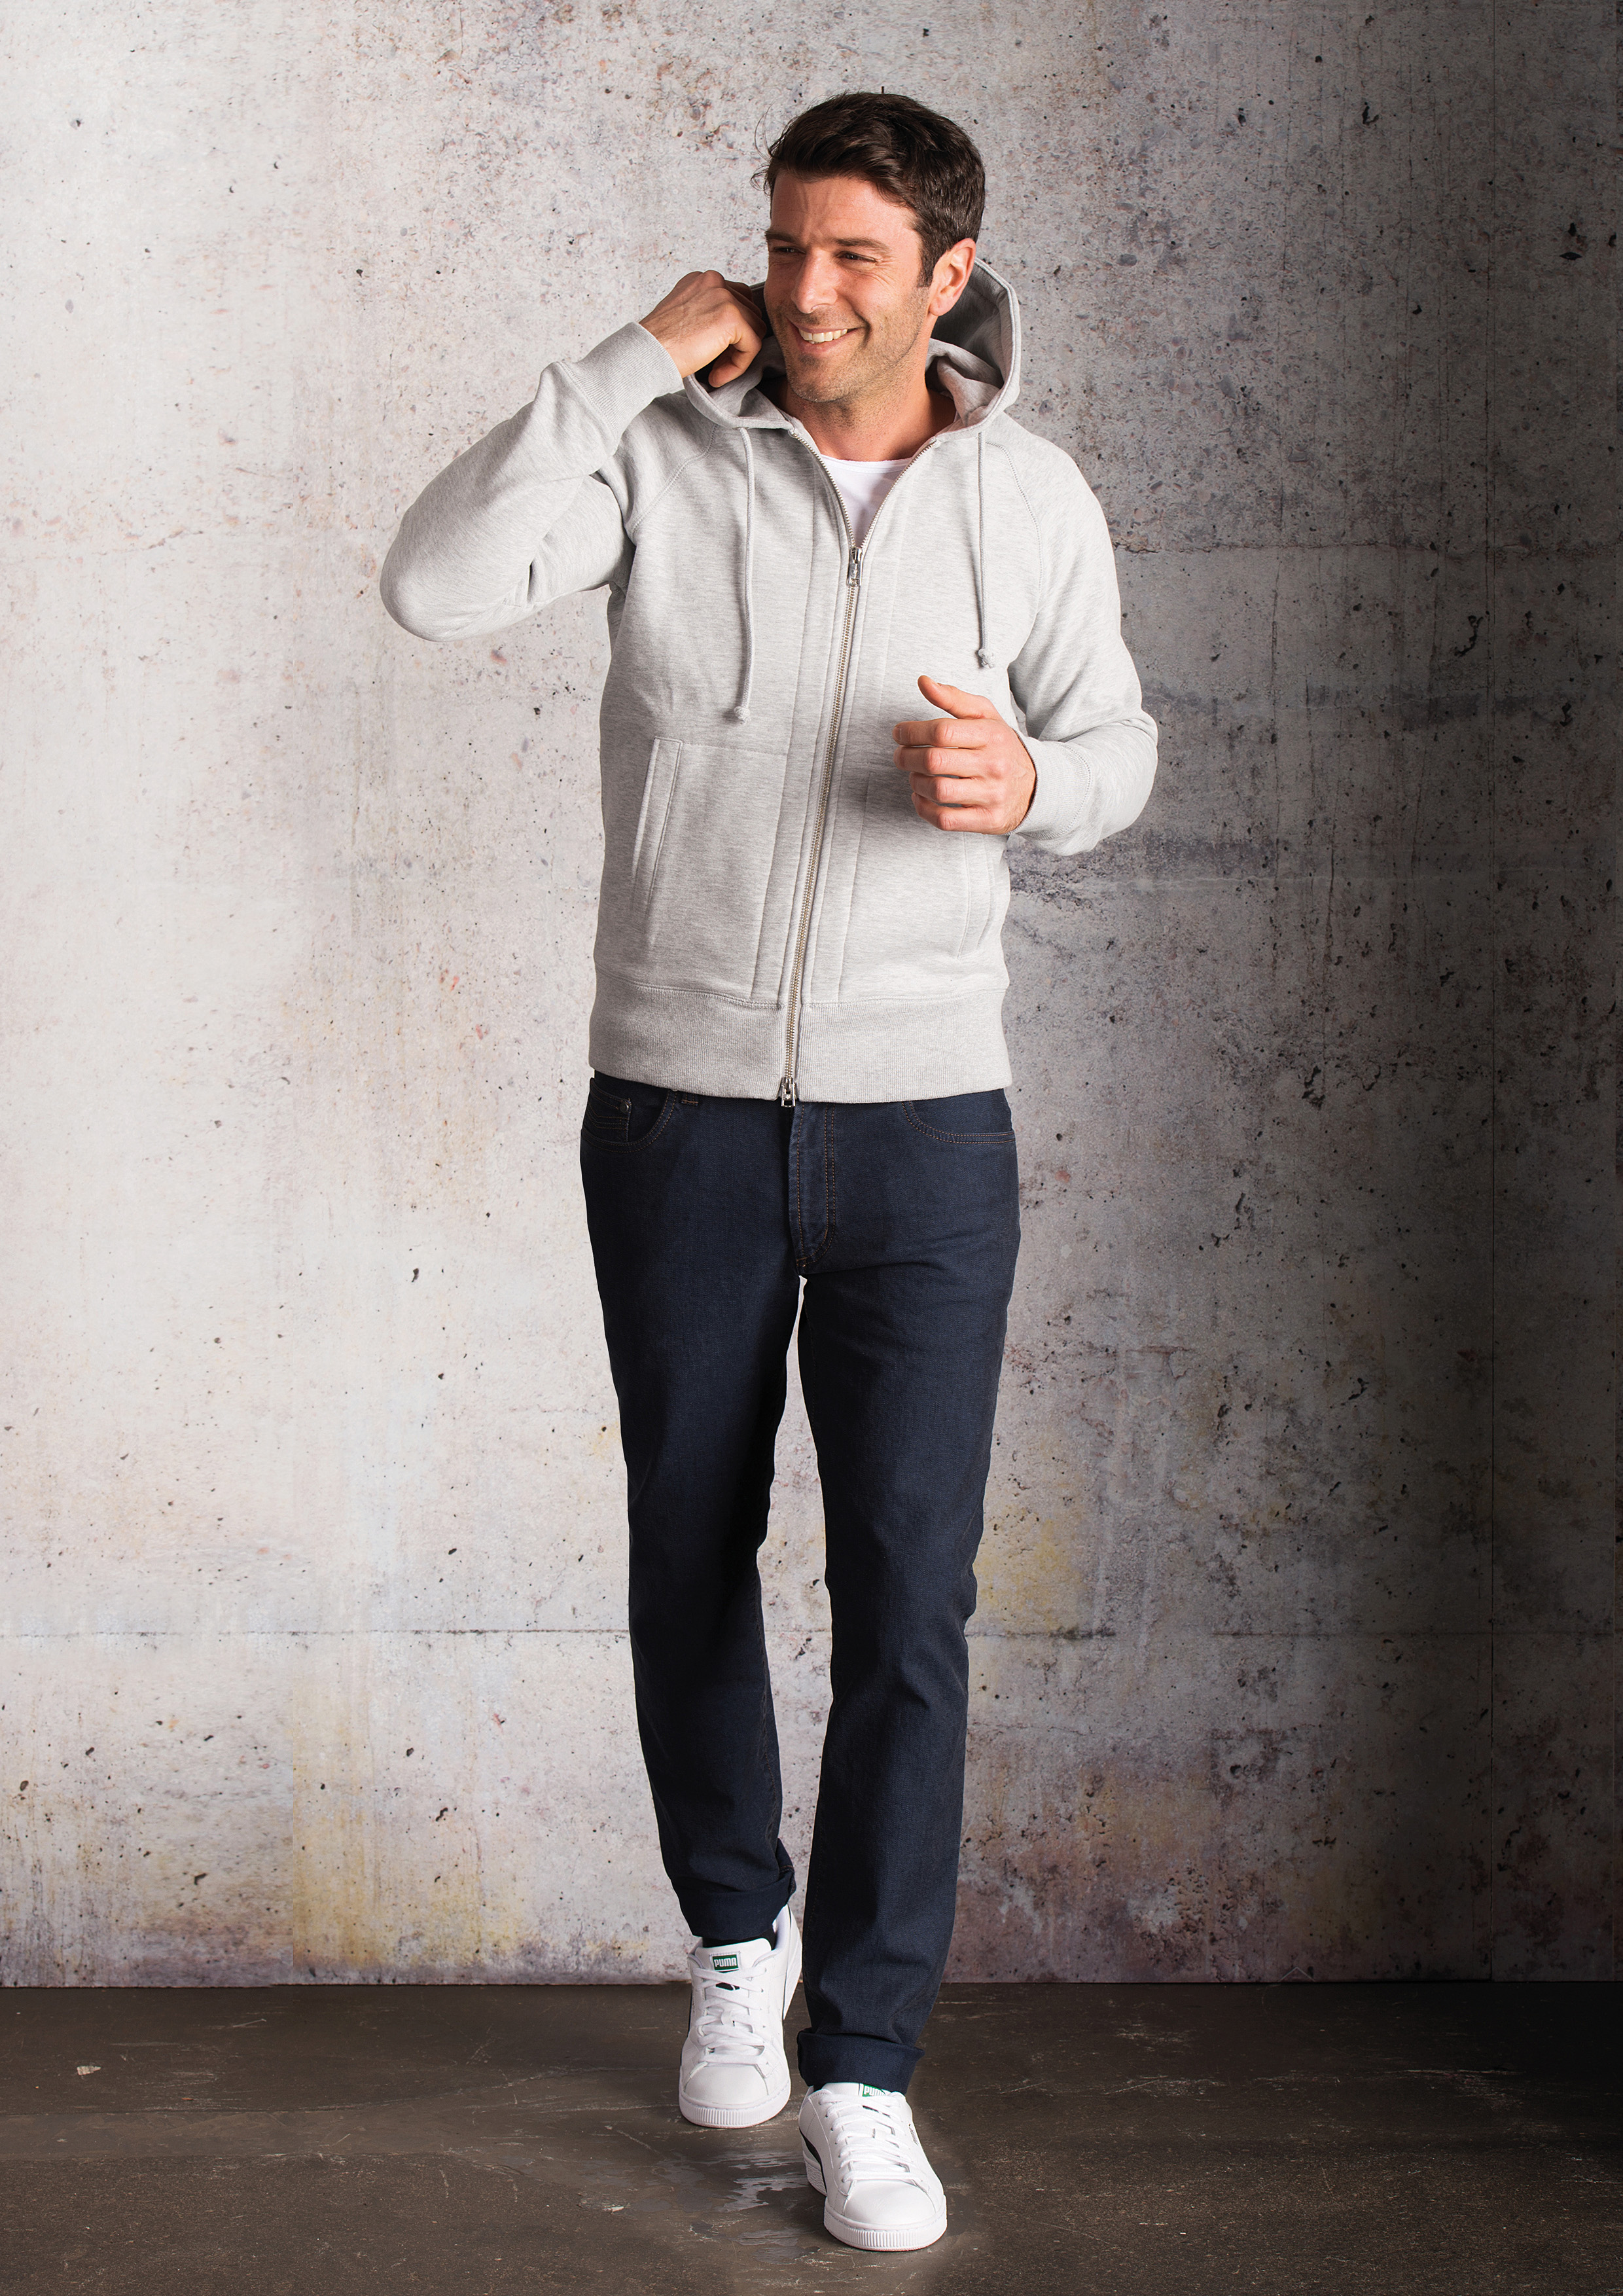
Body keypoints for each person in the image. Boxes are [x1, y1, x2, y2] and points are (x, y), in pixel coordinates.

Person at [381, 89, 1156, 2254]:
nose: (806, 292)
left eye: (853, 258)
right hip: (679, 1108)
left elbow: (1119, 740)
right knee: (687, 1537)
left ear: (947, 277)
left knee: (911, 1592)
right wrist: (633, 355)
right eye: (784, 244)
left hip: (930, 1127)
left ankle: (869, 2064)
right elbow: (432, 585)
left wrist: (1034, 784)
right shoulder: (663, 454)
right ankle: (740, 1933)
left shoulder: (1030, 499)